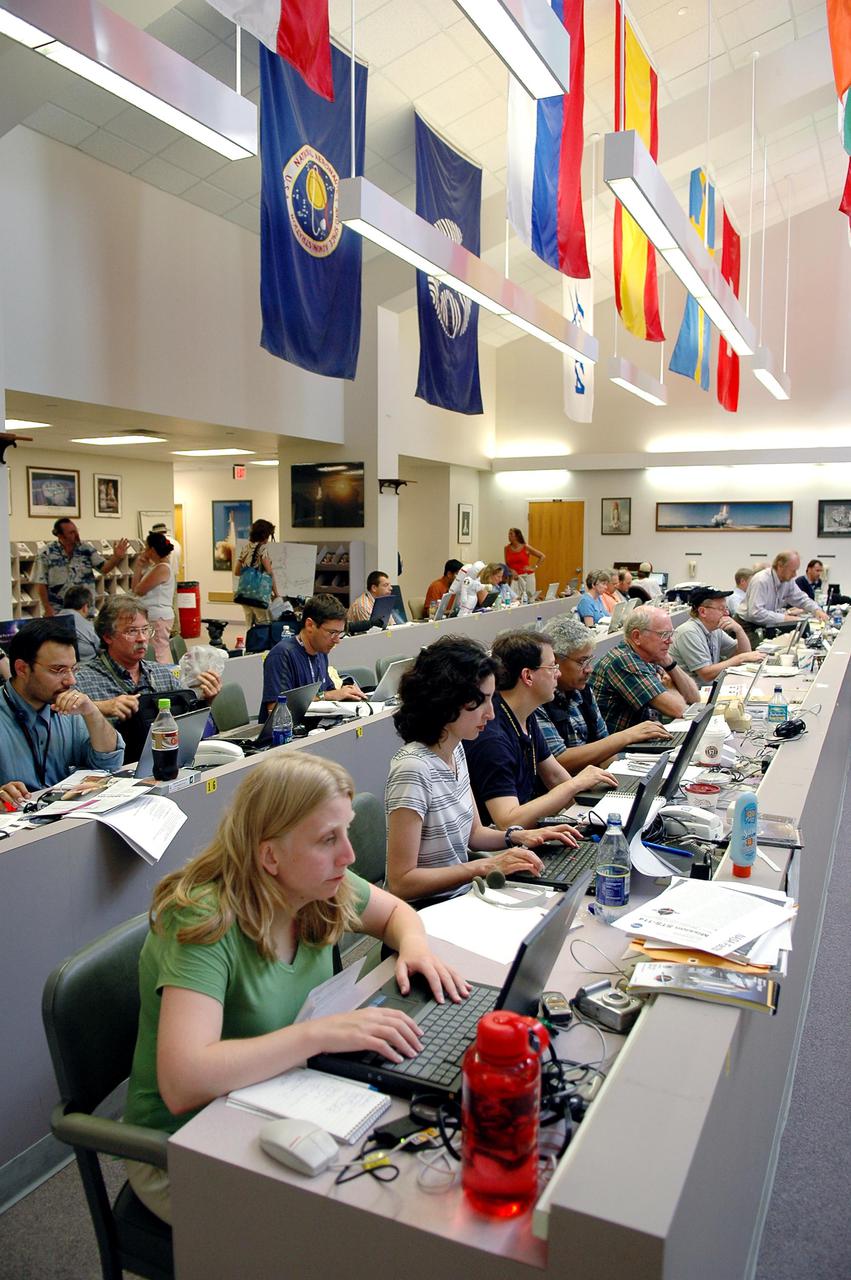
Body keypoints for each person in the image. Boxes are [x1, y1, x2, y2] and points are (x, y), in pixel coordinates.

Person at [122, 752, 469, 1224]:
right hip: (186, 1149)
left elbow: (396, 914)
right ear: (270, 855)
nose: (348, 855)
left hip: (277, 1095)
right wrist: (321, 1035)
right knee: (369, 1217)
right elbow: (185, 1082)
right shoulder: (203, 920)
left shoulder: (319, 885)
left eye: (345, 832)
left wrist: (415, 950)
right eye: (328, 839)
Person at [385, 636, 579, 906]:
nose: (490, 714)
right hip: (424, 914)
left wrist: (518, 836)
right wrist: (483, 868)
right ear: (449, 701)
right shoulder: (413, 769)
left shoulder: (456, 748)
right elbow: (401, 882)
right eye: (483, 701)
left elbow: (474, 835)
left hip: (461, 897)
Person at [463, 629, 618, 829]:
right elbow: (507, 821)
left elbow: (554, 776)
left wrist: (596, 821)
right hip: (501, 848)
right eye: (553, 666)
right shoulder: (492, 737)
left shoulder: (523, 715)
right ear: (528, 676)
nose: (558, 673)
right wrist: (576, 784)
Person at [73, 596, 222, 759]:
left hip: (166, 762)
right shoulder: (83, 679)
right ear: (108, 636)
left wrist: (205, 701)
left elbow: (188, 732)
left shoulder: (162, 674)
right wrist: (99, 707)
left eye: (145, 630)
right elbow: (64, 720)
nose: (142, 638)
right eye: (132, 631)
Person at [0, 619, 123, 806]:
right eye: (58, 670)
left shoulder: (69, 707)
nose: (71, 680)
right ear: (22, 669)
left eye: (73, 669)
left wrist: (92, 712)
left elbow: (108, 765)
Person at [535, 615, 672, 770]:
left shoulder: (583, 691)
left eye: (590, 661)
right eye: (582, 662)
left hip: (591, 780)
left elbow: (605, 751)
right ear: (555, 661)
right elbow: (557, 762)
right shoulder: (538, 700)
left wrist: (619, 778)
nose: (589, 670)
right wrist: (626, 736)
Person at [589, 606, 701, 735]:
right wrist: (669, 686)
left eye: (671, 634)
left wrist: (670, 664)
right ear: (637, 636)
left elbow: (694, 698)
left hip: (639, 741)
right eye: (664, 634)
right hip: (618, 751)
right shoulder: (623, 661)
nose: (670, 641)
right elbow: (680, 710)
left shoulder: (650, 657)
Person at [260, 594, 366, 718]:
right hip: (287, 735)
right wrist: (326, 696)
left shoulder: (321, 651)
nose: (337, 640)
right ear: (310, 625)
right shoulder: (282, 655)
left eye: (340, 633)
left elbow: (331, 692)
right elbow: (276, 709)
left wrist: (347, 693)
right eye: (332, 633)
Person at [31, 519, 129, 616]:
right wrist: (47, 608)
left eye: (76, 530)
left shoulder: (86, 549)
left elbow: (104, 569)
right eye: (72, 533)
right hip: (58, 610)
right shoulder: (46, 553)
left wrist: (116, 557)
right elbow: (40, 583)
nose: (77, 535)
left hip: (85, 609)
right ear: (60, 536)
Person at [668, 587, 763, 683]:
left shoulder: (715, 629)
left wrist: (739, 630)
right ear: (702, 611)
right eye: (721, 609)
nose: (727, 613)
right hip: (692, 695)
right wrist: (741, 658)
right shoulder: (688, 632)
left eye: (726, 608)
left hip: (708, 689)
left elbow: (745, 654)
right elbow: (706, 674)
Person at [737, 551, 828, 630]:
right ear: (780, 566)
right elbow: (756, 614)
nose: (795, 574)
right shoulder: (761, 580)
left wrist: (816, 610)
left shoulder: (787, 581)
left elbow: (801, 598)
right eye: (793, 571)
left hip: (765, 623)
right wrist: (785, 618)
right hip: (747, 626)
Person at [131, 532, 176, 663]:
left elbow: (138, 590)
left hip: (158, 616)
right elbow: (136, 589)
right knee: (157, 650)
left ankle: (162, 678)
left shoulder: (161, 568)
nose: (144, 551)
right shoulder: (156, 567)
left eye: (146, 548)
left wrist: (138, 566)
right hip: (155, 615)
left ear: (151, 550)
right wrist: (139, 566)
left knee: (158, 652)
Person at [234, 519, 279, 631]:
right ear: (265, 535)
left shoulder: (245, 548)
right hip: (259, 595)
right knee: (263, 624)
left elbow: (237, 571)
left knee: (249, 625)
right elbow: (269, 573)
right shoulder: (262, 549)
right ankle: (261, 648)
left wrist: (250, 573)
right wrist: (276, 593)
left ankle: (249, 647)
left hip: (244, 595)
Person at [56, 585, 100, 661]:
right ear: (85, 607)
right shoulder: (88, 627)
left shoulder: (51, 621)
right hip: (83, 667)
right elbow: (99, 647)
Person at [504, 528, 545, 598]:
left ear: (517, 536)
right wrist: (511, 570)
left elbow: (542, 556)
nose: (509, 536)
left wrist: (534, 567)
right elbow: (507, 564)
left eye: (511, 534)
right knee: (515, 598)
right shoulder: (506, 548)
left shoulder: (525, 547)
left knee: (530, 597)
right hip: (514, 578)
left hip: (527, 576)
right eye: (508, 534)